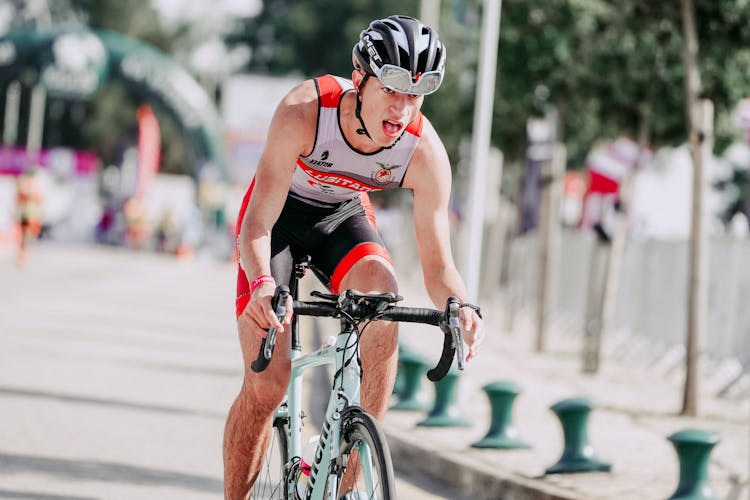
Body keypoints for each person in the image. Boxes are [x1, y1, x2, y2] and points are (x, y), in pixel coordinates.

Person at [224, 15, 485, 499]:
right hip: (278, 219)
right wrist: (262, 283)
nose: (403, 108)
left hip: (341, 215)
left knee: (383, 305)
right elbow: (257, 223)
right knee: (268, 384)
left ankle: (354, 474)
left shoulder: (423, 152)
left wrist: (463, 307)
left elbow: (438, 265)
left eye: (417, 93)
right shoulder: (304, 110)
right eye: (392, 89)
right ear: (360, 78)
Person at [15, 168, 43, 266]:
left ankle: (24, 254)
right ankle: (22, 255)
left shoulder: (34, 187)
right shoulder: (23, 186)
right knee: (24, 236)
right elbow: (19, 198)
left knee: (30, 236)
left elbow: (39, 200)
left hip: (33, 215)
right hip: (25, 215)